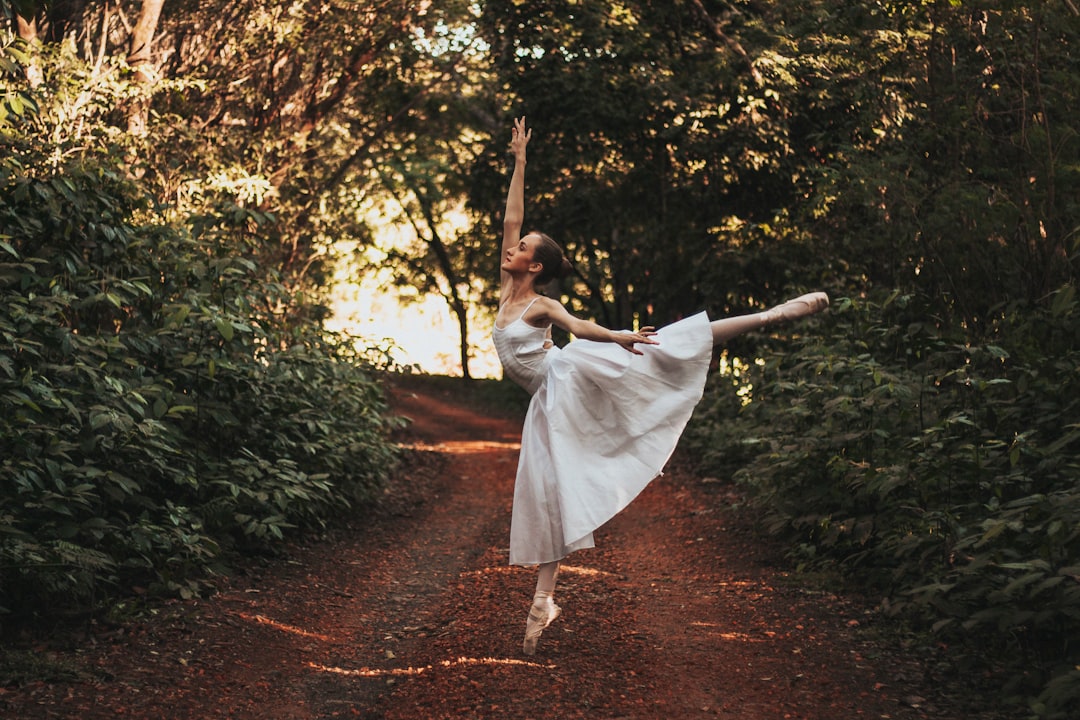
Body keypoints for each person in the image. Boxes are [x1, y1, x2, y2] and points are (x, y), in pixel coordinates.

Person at [492, 116, 828, 655]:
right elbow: (513, 217)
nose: (512, 246)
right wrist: (520, 161)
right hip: (548, 402)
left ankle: (771, 316)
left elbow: (580, 329)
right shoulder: (508, 285)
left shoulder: (540, 304)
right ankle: (542, 599)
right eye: (517, 243)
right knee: (552, 490)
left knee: (666, 344)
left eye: (522, 246)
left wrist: (619, 335)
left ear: (535, 265)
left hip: (571, 375)